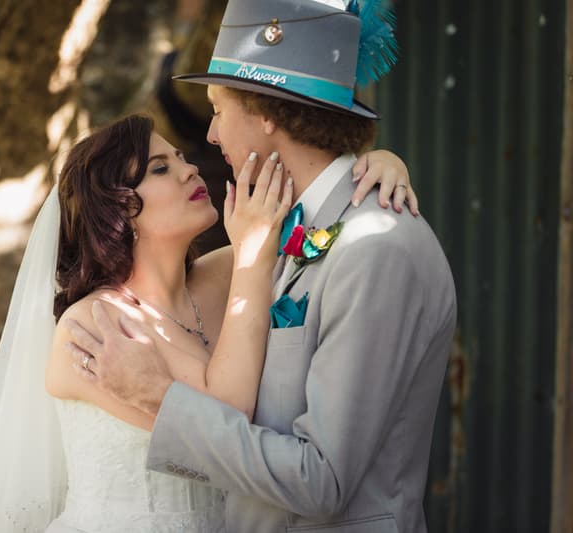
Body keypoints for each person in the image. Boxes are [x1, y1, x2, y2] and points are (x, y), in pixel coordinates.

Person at [64, 1, 457, 533]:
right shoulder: (278, 237)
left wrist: (159, 396)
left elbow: (322, 483)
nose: (210, 136)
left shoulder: (374, 250)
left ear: (264, 112)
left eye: (219, 111)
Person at [0, 110, 414, 531]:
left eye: (179, 158)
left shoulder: (225, 274)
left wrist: (380, 164)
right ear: (118, 209)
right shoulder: (92, 324)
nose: (190, 168)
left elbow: (319, 218)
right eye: (160, 169)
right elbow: (226, 416)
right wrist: (252, 255)